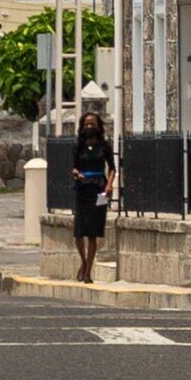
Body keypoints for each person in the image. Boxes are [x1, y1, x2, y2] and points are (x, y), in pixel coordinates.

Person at [64, 105, 114, 284]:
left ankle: (88, 273)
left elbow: (113, 168)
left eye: (93, 123)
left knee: (93, 232)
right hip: (82, 188)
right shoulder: (78, 146)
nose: (90, 126)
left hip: (99, 189)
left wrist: (109, 185)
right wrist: (77, 173)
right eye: (87, 124)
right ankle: (84, 263)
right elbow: (73, 166)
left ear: (98, 126)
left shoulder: (104, 146)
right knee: (79, 232)